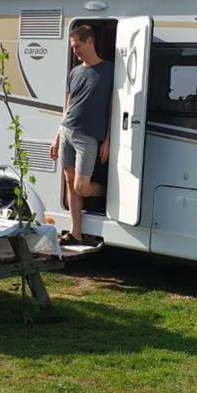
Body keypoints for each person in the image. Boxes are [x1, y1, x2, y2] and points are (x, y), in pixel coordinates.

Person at [49, 24, 112, 246]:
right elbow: (67, 106)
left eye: (77, 46)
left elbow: (114, 106)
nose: (75, 51)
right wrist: (57, 136)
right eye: (73, 47)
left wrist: (108, 139)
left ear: (90, 42)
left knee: (81, 186)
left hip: (88, 136)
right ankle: (75, 232)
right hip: (67, 130)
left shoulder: (109, 70)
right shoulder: (74, 72)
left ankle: (108, 193)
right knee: (69, 181)